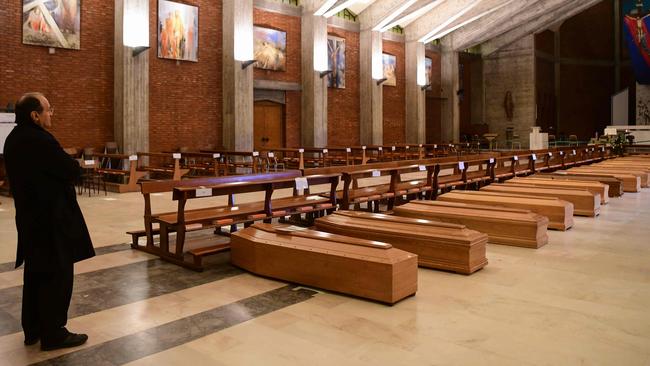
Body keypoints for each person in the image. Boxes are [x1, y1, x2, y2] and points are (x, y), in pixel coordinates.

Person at [3, 92, 95, 351]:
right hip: (52, 222)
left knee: (36, 275)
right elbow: (72, 170)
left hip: (30, 220)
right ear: (35, 115)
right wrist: (72, 163)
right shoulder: (40, 140)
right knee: (57, 277)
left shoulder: (13, 139)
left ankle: (33, 329)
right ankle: (54, 333)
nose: (51, 113)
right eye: (48, 109)